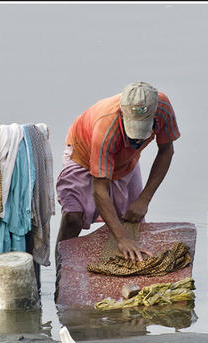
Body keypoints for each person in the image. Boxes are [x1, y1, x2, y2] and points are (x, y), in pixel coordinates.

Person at [55, 82, 180, 262]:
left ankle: (125, 263)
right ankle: (63, 266)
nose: (136, 138)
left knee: (132, 216)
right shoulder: (106, 126)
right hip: (83, 155)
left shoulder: (163, 107)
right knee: (73, 216)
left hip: (127, 161)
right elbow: (100, 189)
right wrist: (121, 239)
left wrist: (144, 199)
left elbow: (166, 150)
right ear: (122, 115)